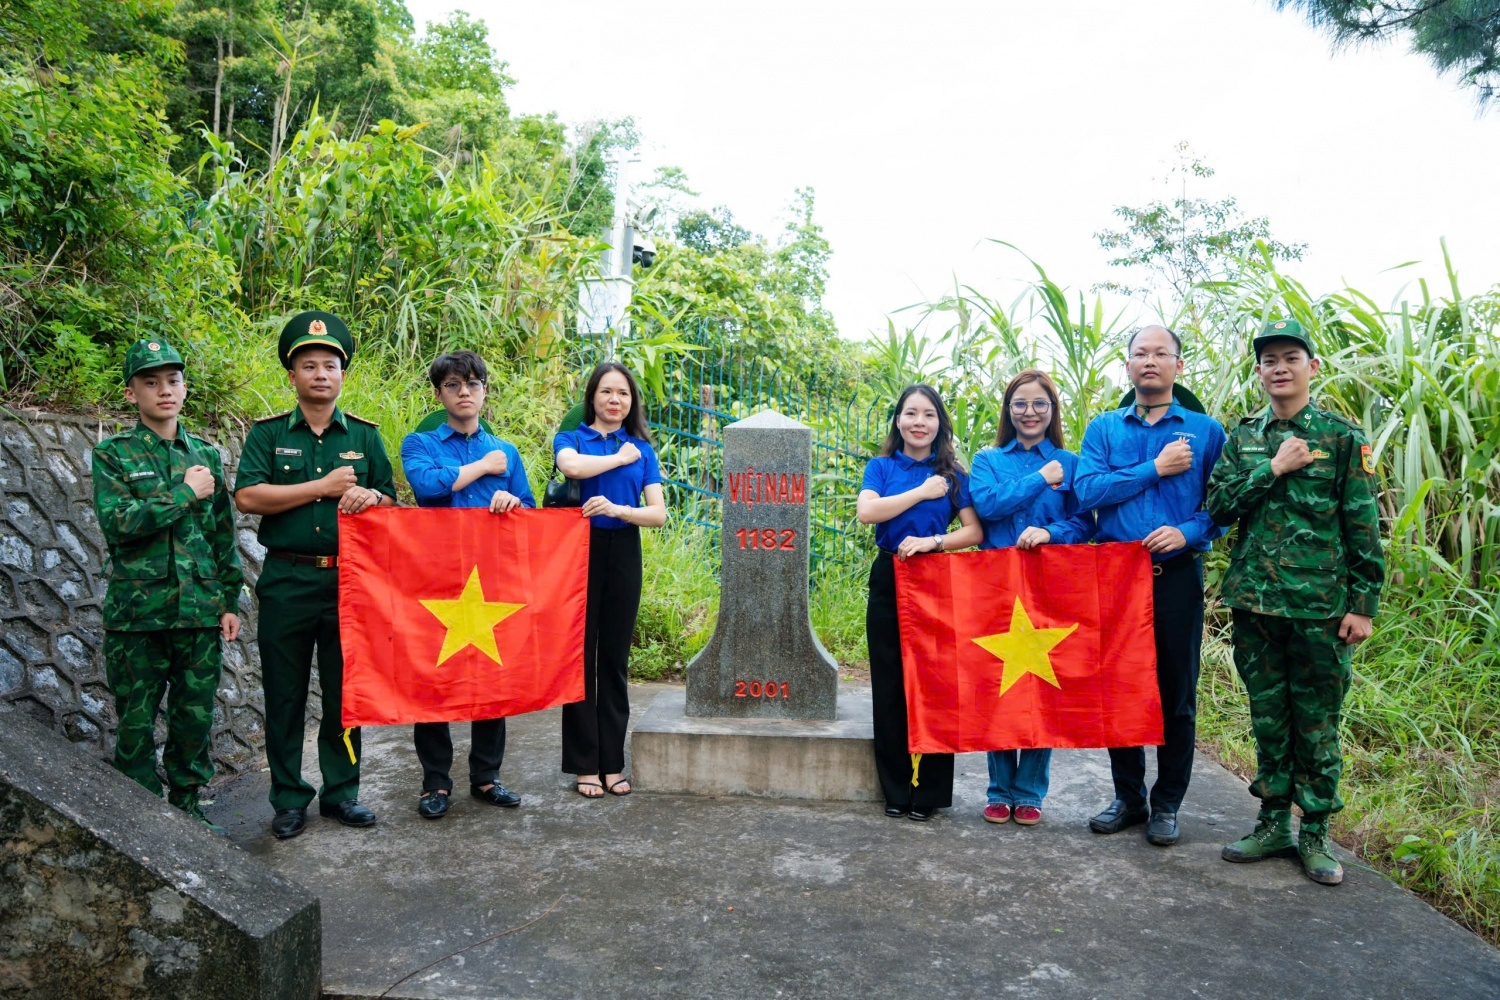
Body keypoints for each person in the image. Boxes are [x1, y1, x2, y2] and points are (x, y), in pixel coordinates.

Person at [1207, 319, 1383, 885]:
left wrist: (1363, 604)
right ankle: (1272, 822)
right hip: (1256, 605)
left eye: (1290, 357)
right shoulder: (1245, 436)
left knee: (1317, 723)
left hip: (1321, 608)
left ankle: (1315, 833)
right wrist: (1273, 467)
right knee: (1269, 720)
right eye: (1268, 360)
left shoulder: (1341, 437)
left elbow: (1363, 526)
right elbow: (1219, 507)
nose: (1279, 368)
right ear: (1259, 372)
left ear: (1311, 366)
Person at [233, 311, 397, 840]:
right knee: (284, 693)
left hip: (349, 584)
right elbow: (248, 496)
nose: (320, 373)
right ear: (292, 376)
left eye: (330, 365)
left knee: (345, 694)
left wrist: (371, 496)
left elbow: (389, 499)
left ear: (342, 375)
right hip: (286, 580)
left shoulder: (366, 438)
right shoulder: (269, 436)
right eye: (309, 365)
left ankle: (341, 792)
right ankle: (287, 798)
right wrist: (321, 487)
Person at [1074, 325, 1226, 847]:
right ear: (1128, 365)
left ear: (1179, 366)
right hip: (1116, 576)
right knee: (1119, 688)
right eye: (1141, 353)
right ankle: (1129, 798)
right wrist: (1153, 469)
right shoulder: (1105, 428)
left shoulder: (1206, 432)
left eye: (1162, 353)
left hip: (1177, 577)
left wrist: (1186, 532)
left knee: (1176, 693)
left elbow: (1222, 508)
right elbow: (1087, 490)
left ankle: (1167, 804)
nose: (1150, 361)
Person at [91, 339, 243, 833]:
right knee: (135, 721)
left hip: (199, 610)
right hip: (139, 613)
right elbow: (119, 523)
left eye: (173, 381)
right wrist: (184, 493)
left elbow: (222, 533)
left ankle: (186, 804)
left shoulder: (205, 453)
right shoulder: (113, 455)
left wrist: (228, 599)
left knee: (193, 717)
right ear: (132, 393)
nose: (164, 391)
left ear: (184, 388)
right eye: (151, 382)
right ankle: (140, 816)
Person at [400, 350, 536, 819]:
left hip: (492, 576)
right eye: (454, 384)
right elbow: (427, 486)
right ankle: (435, 783)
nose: (465, 392)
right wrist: (482, 469)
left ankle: (486, 776)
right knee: (432, 677)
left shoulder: (508, 452)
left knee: (490, 673)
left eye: (474, 384)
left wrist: (511, 500)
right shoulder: (419, 442)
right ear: (439, 393)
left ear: (485, 392)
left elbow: (531, 511)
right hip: (436, 575)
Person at [968, 369, 1095, 827]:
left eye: (1039, 403)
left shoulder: (1072, 462)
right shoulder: (986, 460)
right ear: (1008, 410)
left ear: (1052, 410)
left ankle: (1030, 791)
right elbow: (987, 507)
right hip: (994, 585)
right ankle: (999, 789)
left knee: (1041, 684)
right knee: (999, 684)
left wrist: (1051, 531)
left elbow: (1085, 524)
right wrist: (1041, 477)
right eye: (1019, 403)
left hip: (1048, 586)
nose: (1029, 412)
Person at [857, 384, 984, 821]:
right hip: (889, 575)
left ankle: (928, 793)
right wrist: (920, 493)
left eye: (928, 415)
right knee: (889, 684)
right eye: (910, 413)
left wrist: (934, 541)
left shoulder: (954, 474)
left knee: (936, 686)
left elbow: (973, 532)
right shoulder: (881, 466)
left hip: (935, 578)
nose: (918, 422)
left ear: (939, 423)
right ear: (898, 420)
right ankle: (895, 790)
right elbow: (867, 512)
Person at [553, 362, 667, 799]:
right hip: (577, 551)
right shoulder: (573, 438)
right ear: (593, 397)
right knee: (579, 658)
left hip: (623, 549)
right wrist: (617, 458)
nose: (615, 400)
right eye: (606, 392)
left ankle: (611, 764)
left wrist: (619, 510)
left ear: (631, 401)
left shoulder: (643, 449)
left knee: (614, 659)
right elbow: (571, 468)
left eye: (623, 393)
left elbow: (657, 513)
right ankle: (584, 765)